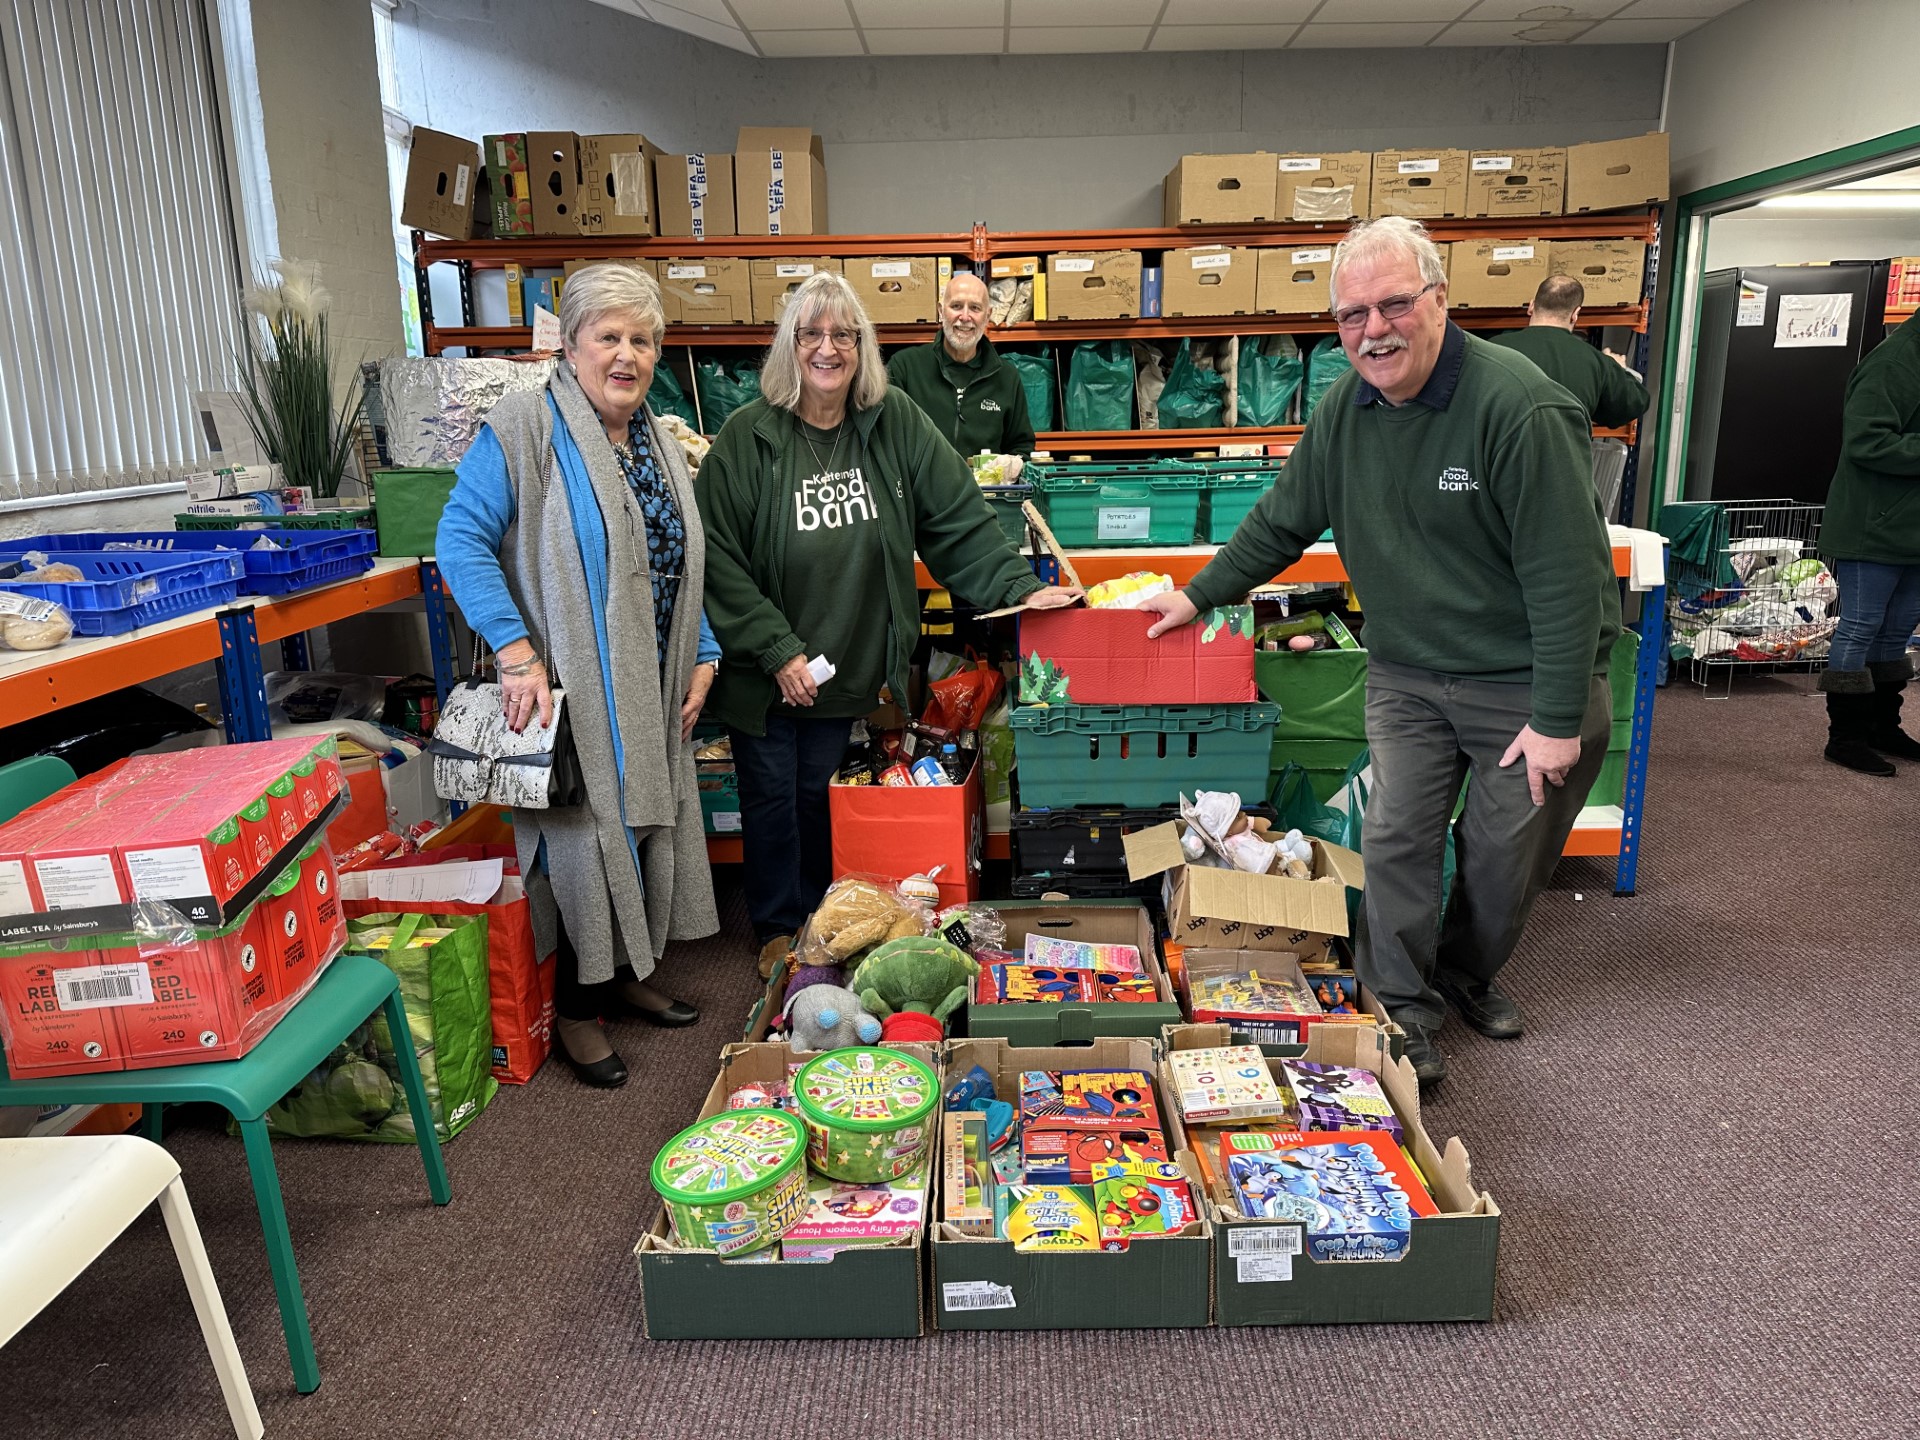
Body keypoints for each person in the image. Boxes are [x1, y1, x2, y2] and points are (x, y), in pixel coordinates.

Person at [1138, 216, 1620, 1087]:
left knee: (1503, 852)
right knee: (1396, 834)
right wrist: (1197, 592)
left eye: (1393, 305)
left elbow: (1567, 579)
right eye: (1352, 314)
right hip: (1406, 671)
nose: (1373, 330)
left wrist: (1556, 719)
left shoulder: (1520, 409)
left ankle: (1466, 972)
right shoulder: (1345, 410)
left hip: (1524, 676)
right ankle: (1402, 1003)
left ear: (1439, 300)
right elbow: (1283, 520)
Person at [697, 271, 1078, 979]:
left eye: (844, 334)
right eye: (811, 333)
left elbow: (957, 518)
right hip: (766, 665)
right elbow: (716, 557)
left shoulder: (893, 419)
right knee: (772, 795)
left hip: (844, 661)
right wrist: (777, 648)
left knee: (823, 794)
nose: (828, 347)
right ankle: (780, 928)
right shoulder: (748, 438)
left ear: (863, 347)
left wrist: (1020, 590)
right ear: (790, 346)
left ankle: (823, 923)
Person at [437, 262, 720, 1089]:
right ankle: (575, 1011)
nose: (626, 355)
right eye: (609, 337)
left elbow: (676, 561)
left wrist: (701, 649)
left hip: (653, 679)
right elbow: (460, 539)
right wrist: (514, 649)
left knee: (641, 828)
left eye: (642, 339)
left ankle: (625, 972)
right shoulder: (527, 425)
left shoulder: (658, 439)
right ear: (571, 343)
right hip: (573, 688)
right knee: (584, 841)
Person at [1814, 313, 1920, 775]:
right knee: (1860, 626)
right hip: (1872, 523)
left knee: (1897, 630)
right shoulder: (1895, 361)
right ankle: (1847, 737)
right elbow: (1867, 441)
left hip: (1910, 524)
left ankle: (1882, 727)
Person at [884, 271, 1038, 459]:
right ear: (941, 311)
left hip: (984, 489)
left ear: (988, 315)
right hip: (919, 488)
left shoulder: (1007, 377)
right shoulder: (905, 368)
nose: (965, 317)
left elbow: (1021, 447)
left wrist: (1011, 467)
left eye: (975, 308)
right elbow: (886, 440)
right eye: (956, 306)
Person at [1489, 275, 1650, 428]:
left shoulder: (1492, 350)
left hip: (1501, 456)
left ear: (1531, 306)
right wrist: (1620, 370)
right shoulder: (1595, 361)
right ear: (1575, 314)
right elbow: (1633, 404)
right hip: (1567, 457)